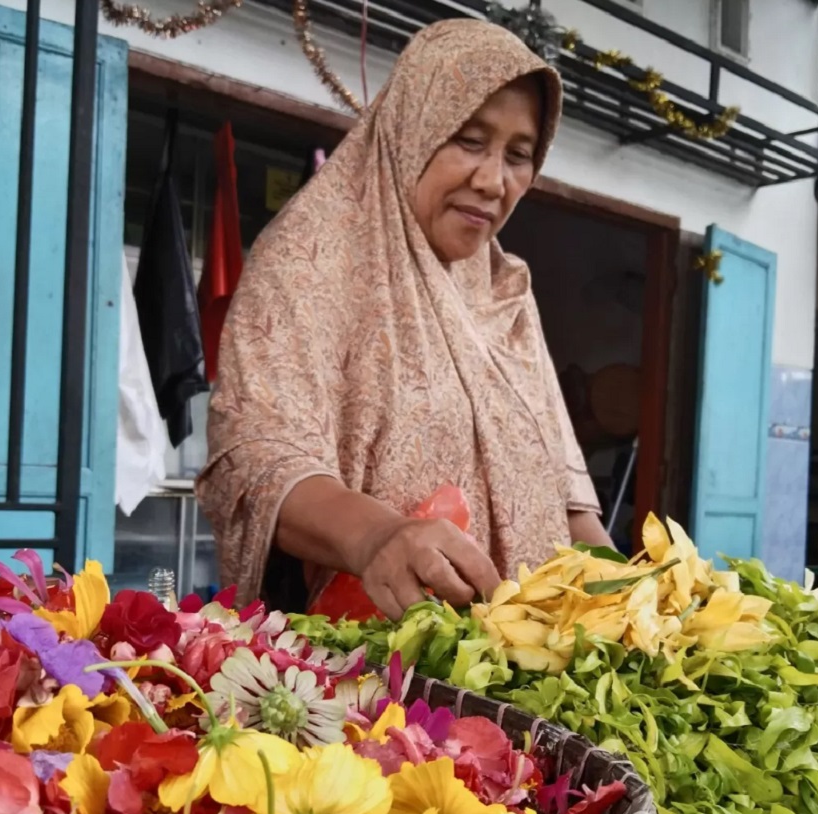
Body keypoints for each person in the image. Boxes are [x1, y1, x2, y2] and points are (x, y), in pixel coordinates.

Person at [196, 19, 613, 619]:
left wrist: (636, 595)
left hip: (529, 652)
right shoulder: (312, 259)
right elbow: (257, 459)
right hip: (374, 655)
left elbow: (567, 499)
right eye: (469, 140)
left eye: (519, 156)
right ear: (413, 126)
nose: (493, 181)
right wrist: (378, 537)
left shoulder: (506, 291)